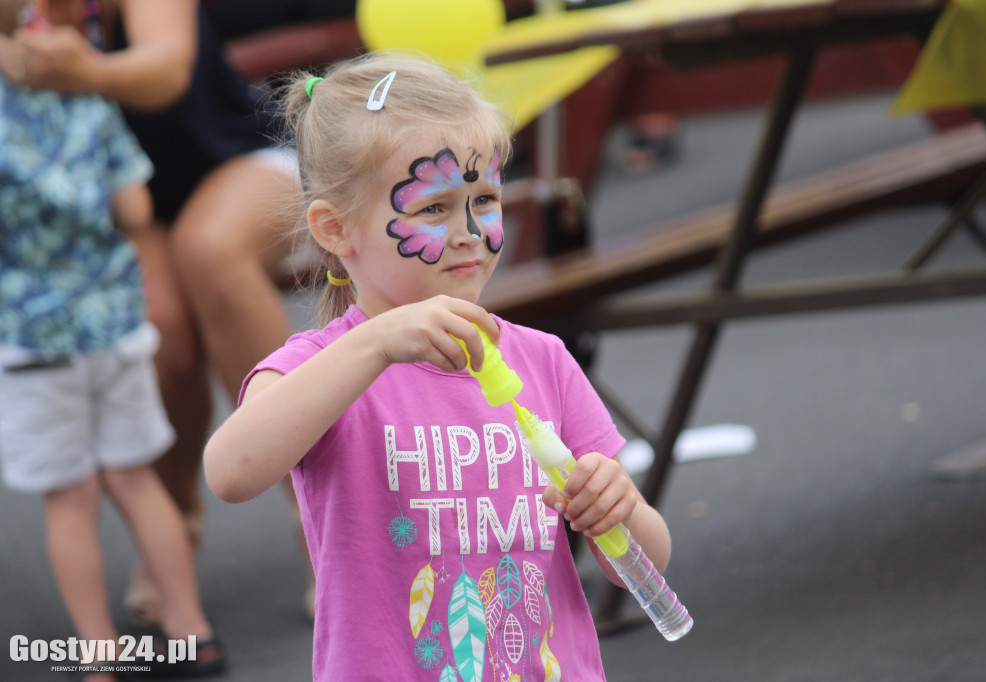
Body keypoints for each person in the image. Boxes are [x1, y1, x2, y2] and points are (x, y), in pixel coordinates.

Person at [203, 53, 674, 680]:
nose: (469, 231)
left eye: (485, 198)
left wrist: (621, 509)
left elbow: (640, 562)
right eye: (434, 208)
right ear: (336, 229)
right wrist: (374, 346)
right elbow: (231, 472)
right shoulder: (322, 368)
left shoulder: (543, 359)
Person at [0, 0, 316, 622]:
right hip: (132, 207)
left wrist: (80, 70)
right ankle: (175, 523)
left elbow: (165, 71)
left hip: (241, 159)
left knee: (210, 250)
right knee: (158, 325)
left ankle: (312, 511)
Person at [0, 1, 225, 679]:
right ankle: (192, 627)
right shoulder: (91, 105)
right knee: (136, 479)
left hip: (35, 341)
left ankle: (98, 656)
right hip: (116, 326)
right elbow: (134, 208)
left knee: (71, 502)